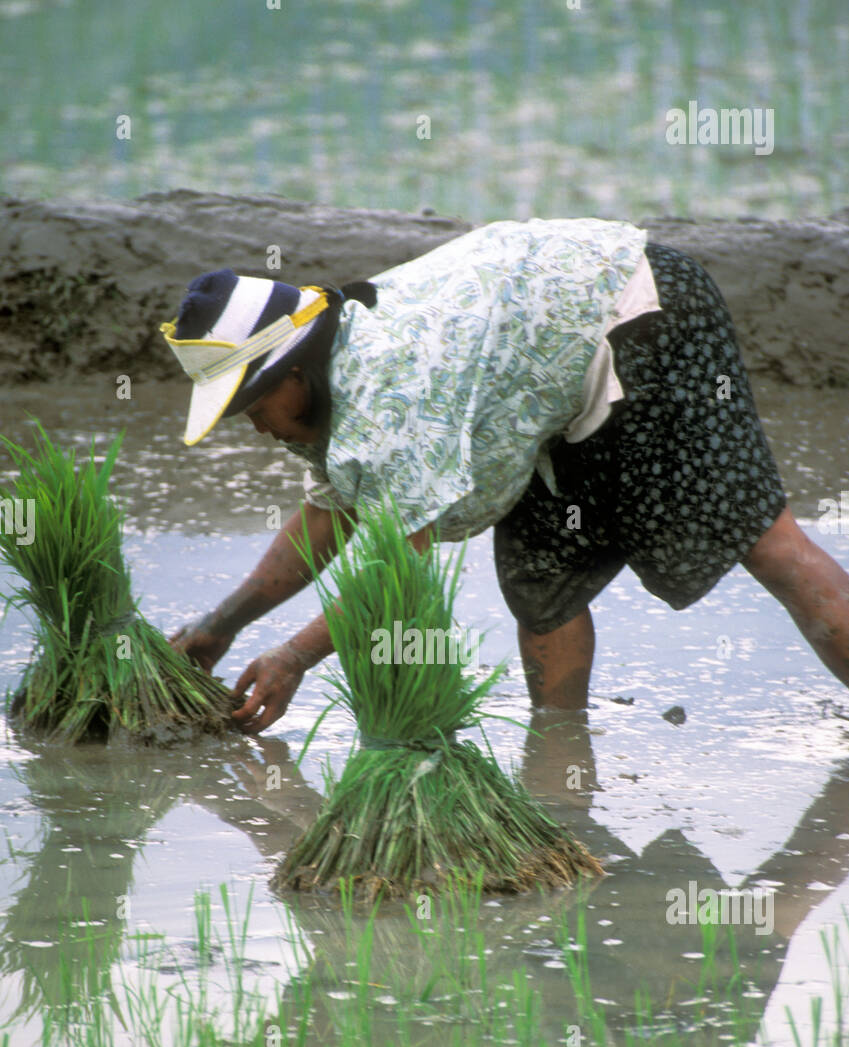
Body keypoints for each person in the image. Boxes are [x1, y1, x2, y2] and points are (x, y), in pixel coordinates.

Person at [163, 219, 849, 734]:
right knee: (541, 583)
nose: (254, 426)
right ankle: (558, 757)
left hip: (642, 312)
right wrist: (218, 626)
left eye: (252, 406)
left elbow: (394, 567)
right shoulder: (331, 378)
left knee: (760, 539)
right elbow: (327, 517)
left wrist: (291, 657)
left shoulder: (392, 391)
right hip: (550, 367)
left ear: (291, 370)